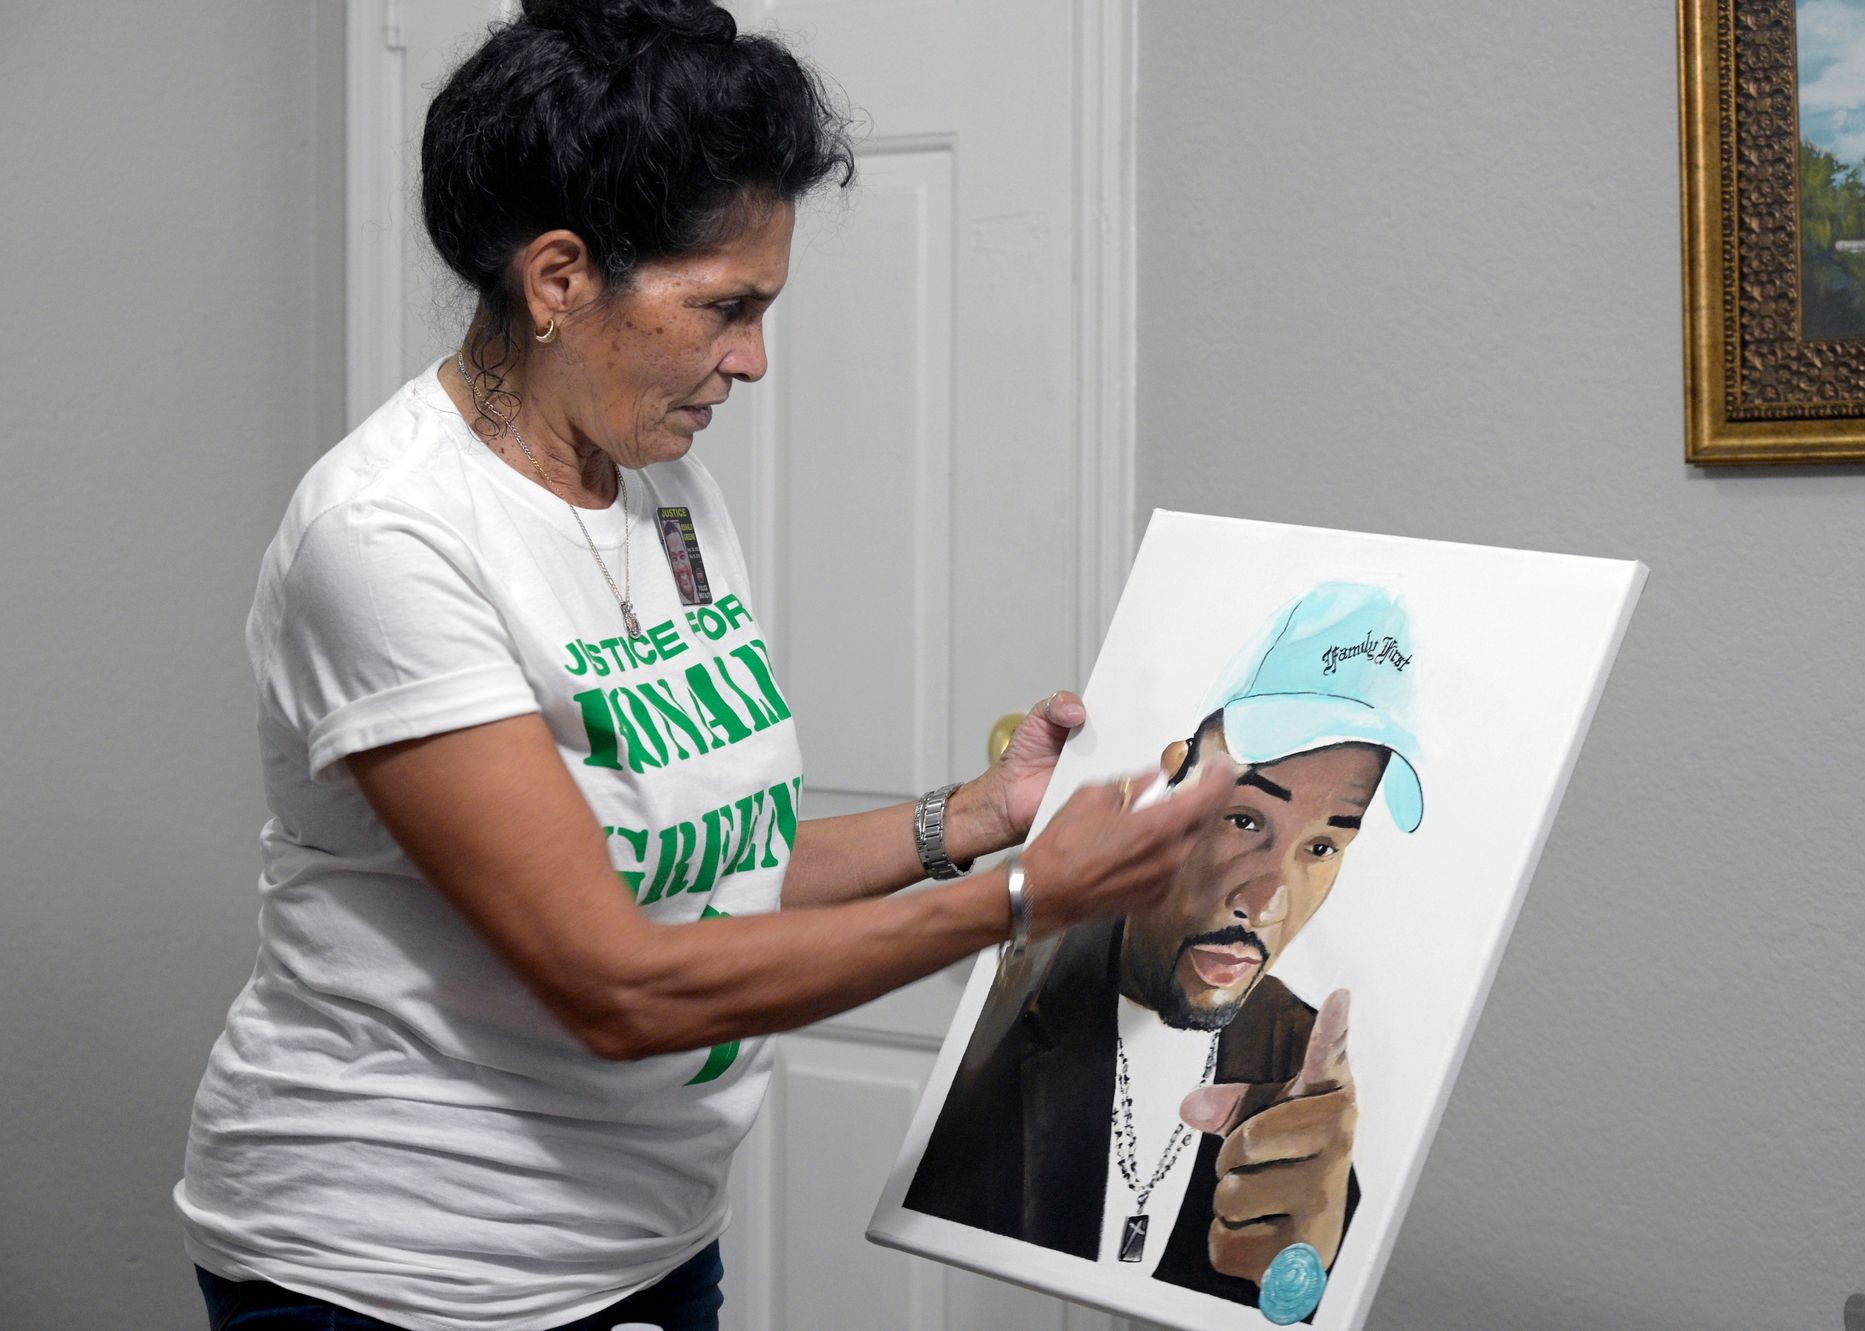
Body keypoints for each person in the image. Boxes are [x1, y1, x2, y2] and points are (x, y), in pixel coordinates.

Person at [170, 4, 1231, 1329]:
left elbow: (711, 860)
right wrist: (1022, 896)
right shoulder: (387, 539)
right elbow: (617, 983)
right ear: (559, 280)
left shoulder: (661, 488)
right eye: (726, 306)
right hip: (404, 1270)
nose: (755, 358)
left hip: (645, 1241)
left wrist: (968, 823)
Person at [905, 581, 1425, 1321]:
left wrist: (1301, 1269)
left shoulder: (1305, 1070)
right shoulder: (1021, 990)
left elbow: (1286, 1302)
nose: (1267, 898)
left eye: (1320, 845)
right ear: (1172, 773)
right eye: (1245, 818)